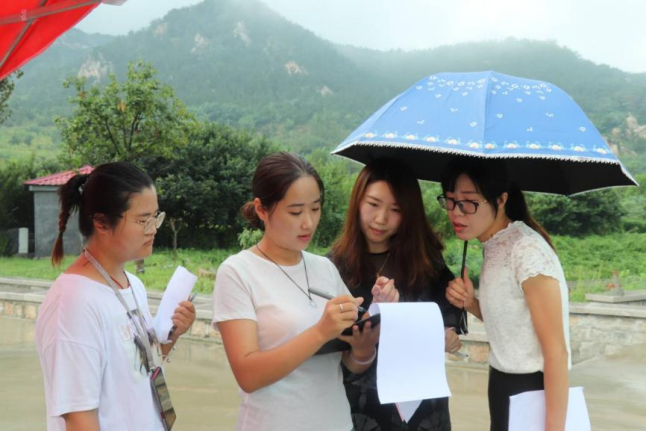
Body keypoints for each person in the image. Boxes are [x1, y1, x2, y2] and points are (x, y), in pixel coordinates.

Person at [211, 152, 398, 431]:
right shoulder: (238, 272)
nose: (308, 222)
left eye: (315, 208)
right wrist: (321, 331)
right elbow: (248, 375)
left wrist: (366, 341)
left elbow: (347, 365)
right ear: (262, 209)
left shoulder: (325, 268)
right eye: (296, 212)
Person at [35, 162, 196, 431]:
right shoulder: (73, 304)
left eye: (155, 217)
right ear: (101, 222)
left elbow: (139, 367)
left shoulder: (132, 285)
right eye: (143, 220)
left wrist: (173, 333)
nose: (153, 228)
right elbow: (79, 418)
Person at [330, 158, 464, 431]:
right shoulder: (333, 267)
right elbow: (327, 350)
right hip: (362, 407)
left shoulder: (426, 260)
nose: (381, 219)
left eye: (395, 210)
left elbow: (448, 313)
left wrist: (448, 332)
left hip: (424, 408)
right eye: (373, 204)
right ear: (357, 201)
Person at [441, 159, 571, 431]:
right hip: (502, 384)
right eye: (450, 200)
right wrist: (471, 303)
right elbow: (514, 325)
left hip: (530, 390)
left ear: (501, 200)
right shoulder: (494, 243)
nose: (455, 213)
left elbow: (556, 352)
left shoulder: (527, 251)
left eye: (468, 202)